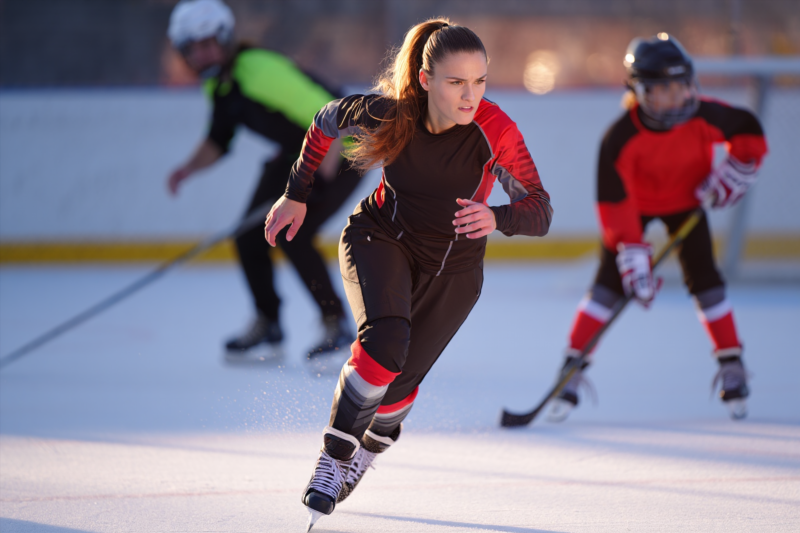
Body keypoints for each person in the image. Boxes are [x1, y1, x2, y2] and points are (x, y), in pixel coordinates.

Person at [264, 18, 552, 528]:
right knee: (385, 344)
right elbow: (324, 122)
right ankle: (333, 460)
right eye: (456, 82)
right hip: (380, 238)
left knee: (397, 389)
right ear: (425, 80)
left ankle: (364, 456)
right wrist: (296, 193)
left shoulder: (496, 131)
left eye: (480, 81)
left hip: (454, 271)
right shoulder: (387, 114)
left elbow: (540, 210)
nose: (470, 96)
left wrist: (499, 217)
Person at [547, 33, 768, 423]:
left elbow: (747, 128)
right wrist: (631, 251)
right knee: (608, 285)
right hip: (636, 207)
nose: (676, 98)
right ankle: (571, 369)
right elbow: (614, 204)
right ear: (639, 92)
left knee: (706, 280)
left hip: (687, 204)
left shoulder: (702, 115)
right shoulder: (619, 138)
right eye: (663, 90)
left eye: (682, 86)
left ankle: (732, 363)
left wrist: (738, 166)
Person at [165, 0, 361, 361]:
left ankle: (336, 325)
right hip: (298, 155)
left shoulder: (255, 70)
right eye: (193, 49)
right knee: (249, 235)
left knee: (294, 233)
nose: (203, 55)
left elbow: (328, 113)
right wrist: (186, 170)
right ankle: (268, 323)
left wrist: (317, 179)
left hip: (343, 151)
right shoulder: (221, 87)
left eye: (209, 44)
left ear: (225, 40)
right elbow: (218, 139)